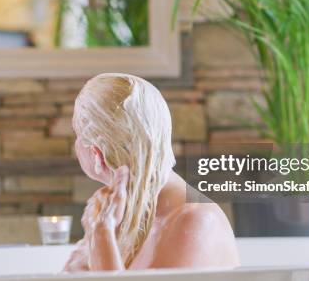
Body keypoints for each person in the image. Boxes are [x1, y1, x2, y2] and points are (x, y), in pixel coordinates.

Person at [63, 73, 240, 271]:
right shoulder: (127, 215)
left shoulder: (195, 222)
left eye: (77, 134)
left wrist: (102, 235)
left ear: (97, 155)